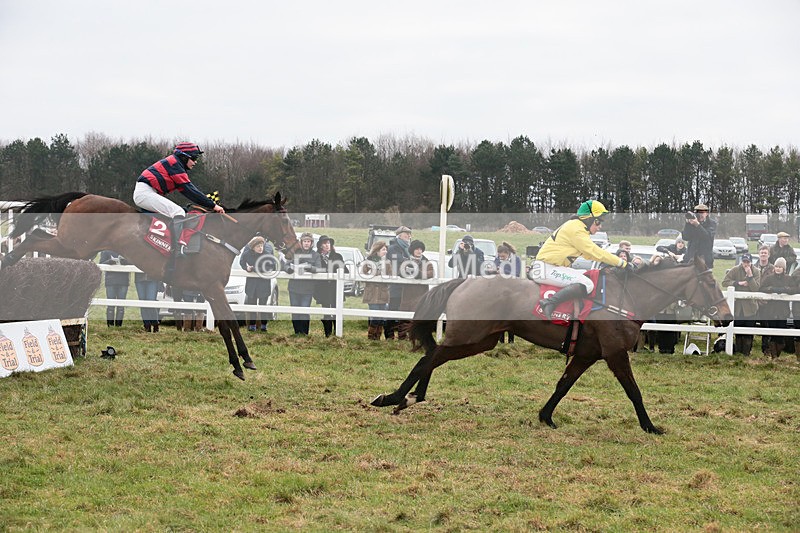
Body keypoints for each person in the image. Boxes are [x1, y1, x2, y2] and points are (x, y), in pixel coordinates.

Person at [534, 200, 632, 319]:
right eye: (598, 222)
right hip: (546, 269)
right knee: (587, 284)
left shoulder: (576, 226)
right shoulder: (576, 229)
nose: (599, 227)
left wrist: (609, 262)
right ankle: (549, 302)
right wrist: (621, 263)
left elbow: (589, 255)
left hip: (551, 267)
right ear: (588, 218)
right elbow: (593, 251)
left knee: (587, 276)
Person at [133, 142, 225, 259]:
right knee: (178, 213)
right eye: (194, 158)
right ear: (184, 157)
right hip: (145, 194)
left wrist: (208, 203)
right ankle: (176, 249)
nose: (195, 162)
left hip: (147, 193)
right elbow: (190, 190)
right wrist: (213, 205)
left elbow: (187, 191)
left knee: (180, 211)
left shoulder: (175, 164)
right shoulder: (174, 164)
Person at [721, 252, 761, 356]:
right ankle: (738, 353)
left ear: (751, 262)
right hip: (738, 307)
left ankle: (746, 353)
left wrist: (750, 276)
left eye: (748, 262)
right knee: (738, 330)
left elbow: (755, 288)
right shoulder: (735, 270)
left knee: (748, 331)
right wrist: (738, 283)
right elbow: (725, 282)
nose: (746, 264)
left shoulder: (756, 271)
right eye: (744, 261)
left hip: (750, 307)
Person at [759, 257, 797, 357]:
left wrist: (786, 289)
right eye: (776, 266)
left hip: (783, 311)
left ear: (784, 268)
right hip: (771, 310)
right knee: (772, 335)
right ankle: (774, 357)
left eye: (780, 267)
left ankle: (777, 354)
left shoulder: (789, 278)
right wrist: (771, 289)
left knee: (780, 336)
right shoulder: (769, 278)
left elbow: (795, 289)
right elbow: (761, 288)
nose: (778, 268)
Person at [285, 232, 321, 336]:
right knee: (295, 311)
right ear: (301, 242)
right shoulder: (295, 253)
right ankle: (297, 333)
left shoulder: (315, 255)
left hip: (307, 289)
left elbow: (318, 268)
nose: (306, 243)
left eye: (308, 241)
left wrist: (309, 267)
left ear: (311, 243)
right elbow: (286, 265)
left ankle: (304, 333)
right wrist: (289, 269)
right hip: (294, 287)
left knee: (305, 311)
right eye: (304, 241)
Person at [239, 236, 276, 332]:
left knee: (263, 305)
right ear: (253, 247)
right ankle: (252, 325)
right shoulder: (247, 254)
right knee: (252, 304)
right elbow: (242, 262)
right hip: (252, 284)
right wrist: (246, 268)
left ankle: (263, 325)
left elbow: (269, 267)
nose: (260, 248)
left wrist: (254, 269)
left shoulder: (267, 255)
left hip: (263, 284)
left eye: (261, 246)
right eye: (258, 246)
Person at [314, 235, 348, 337]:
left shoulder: (337, 256)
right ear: (320, 245)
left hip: (335, 288)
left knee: (336, 310)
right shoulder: (317, 257)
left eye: (328, 243)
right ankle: (327, 334)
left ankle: (336, 334)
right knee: (326, 311)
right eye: (324, 243)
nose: (327, 245)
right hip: (323, 289)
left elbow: (345, 271)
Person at [399, 240, 435, 330]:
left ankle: (416, 336)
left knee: (418, 317)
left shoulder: (427, 262)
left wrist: (417, 273)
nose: (419, 251)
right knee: (404, 318)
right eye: (417, 249)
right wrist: (405, 272)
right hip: (407, 295)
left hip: (421, 294)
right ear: (412, 250)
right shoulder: (406, 262)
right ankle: (402, 338)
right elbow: (399, 272)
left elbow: (431, 273)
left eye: (420, 249)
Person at [385, 226, 412, 340]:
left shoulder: (407, 249)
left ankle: (402, 335)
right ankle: (389, 335)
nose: (409, 237)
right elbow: (399, 262)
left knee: (403, 310)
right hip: (395, 286)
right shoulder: (393, 248)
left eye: (409, 235)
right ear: (399, 236)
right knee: (393, 310)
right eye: (406, 235)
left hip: (405, 287)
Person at [493, 242, 523, 343]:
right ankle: (501, 340)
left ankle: (511, 340)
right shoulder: (498, 259)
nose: (501, 258)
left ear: (507, 253)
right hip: (499, 289)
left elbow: (517, 273)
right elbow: (495, 267)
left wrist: (503, 271)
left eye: (503, 256)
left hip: (512, 289)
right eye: (499, 256)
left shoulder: (516, 259)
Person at [362, 241, 390, 340]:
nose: (385, 251)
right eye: (383, 249)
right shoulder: (368, 262)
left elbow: (390, 275)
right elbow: (363, 273)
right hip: (372, 292)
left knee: (381, 316)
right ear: (377, 250)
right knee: (374, 315)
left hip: (383, 293)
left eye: (386, 249)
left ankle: (377, 337)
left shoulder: (387, 263)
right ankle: (371, 337)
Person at [99, 250, 130, 327]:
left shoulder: (126, 250)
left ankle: (119, 325)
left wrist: (125, 262)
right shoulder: (106, 251)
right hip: (110, 281)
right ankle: (110, 325)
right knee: (110, 305)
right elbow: (101, 264)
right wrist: (109, 262)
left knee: (121, 306)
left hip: (123, 281)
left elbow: (133, 263)